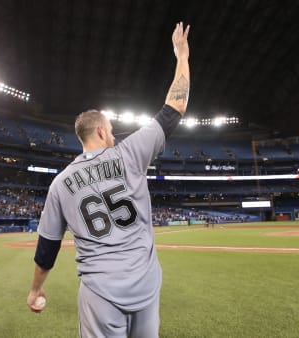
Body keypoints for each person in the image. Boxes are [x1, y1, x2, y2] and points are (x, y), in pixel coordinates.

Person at [27, 22, 190, 337]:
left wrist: (35, 290)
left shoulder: (60, 183)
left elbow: (47, 249)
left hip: (100, 292)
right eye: (112, 131)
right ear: (101, 131)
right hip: (145, 284)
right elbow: (175, 107)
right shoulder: (129, 154)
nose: (115, 136)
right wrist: (181, 56)